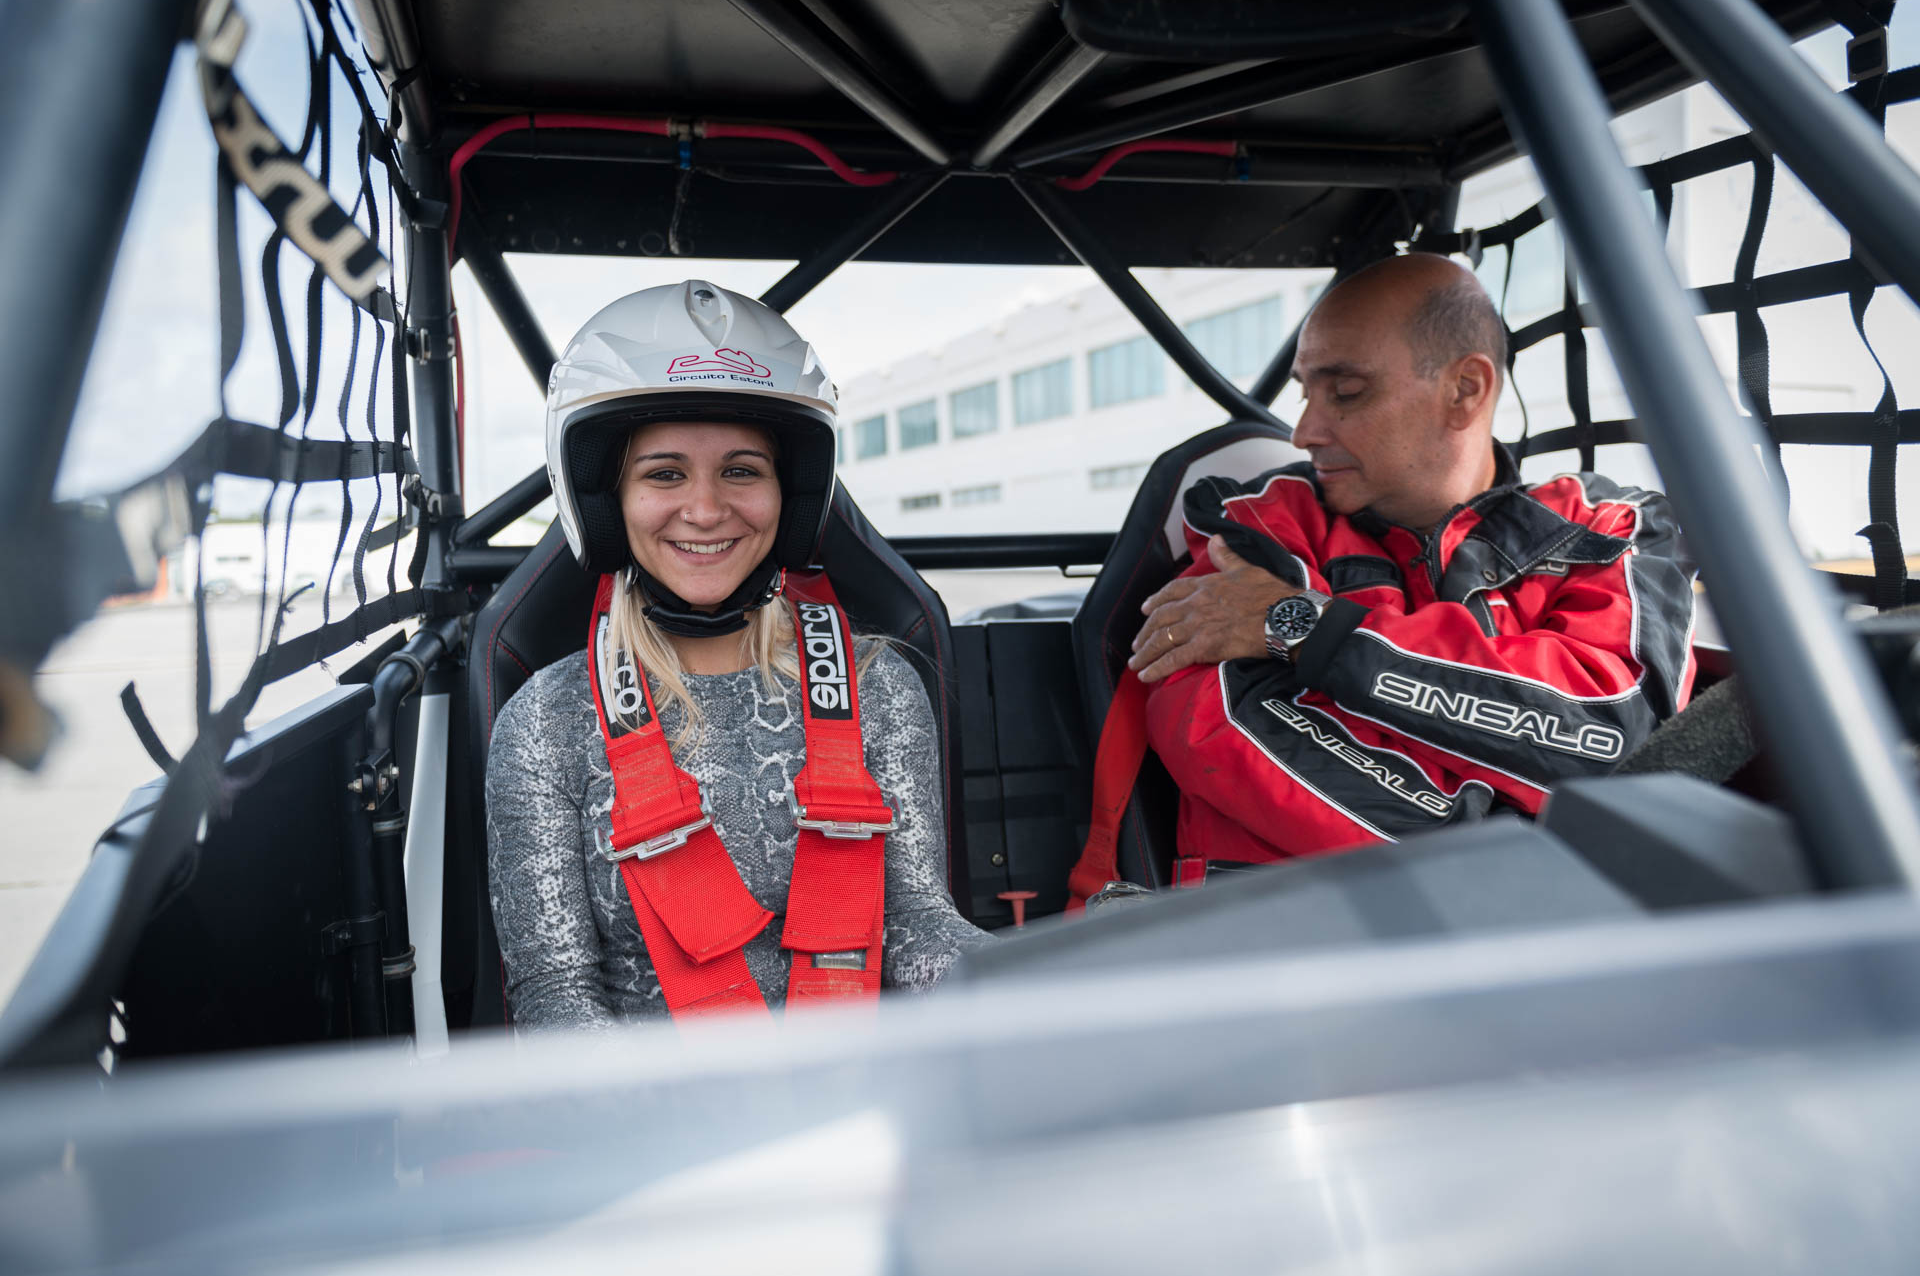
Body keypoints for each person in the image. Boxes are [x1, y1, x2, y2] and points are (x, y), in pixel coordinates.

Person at [487, 280, 985, 1026]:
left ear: (792, 493)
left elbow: (920, 928)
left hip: (866, 1097)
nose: (707, 508)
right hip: (662, 1125)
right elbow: (557, 993)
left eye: (741, 470)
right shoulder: (547, 722)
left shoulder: (879, 687)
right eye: (664, 473)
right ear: (607, 499)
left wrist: (1048, 977)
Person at [1126, 254, 1697, 875]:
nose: (1304, 431)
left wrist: (1304, 627)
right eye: (1305, 393)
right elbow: (1217, 722)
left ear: (1465, 391)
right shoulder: (1259, 526)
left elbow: (1617, 741)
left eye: (1346, 392)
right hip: (1293, 944)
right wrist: (1516, 835)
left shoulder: (1607, 527)